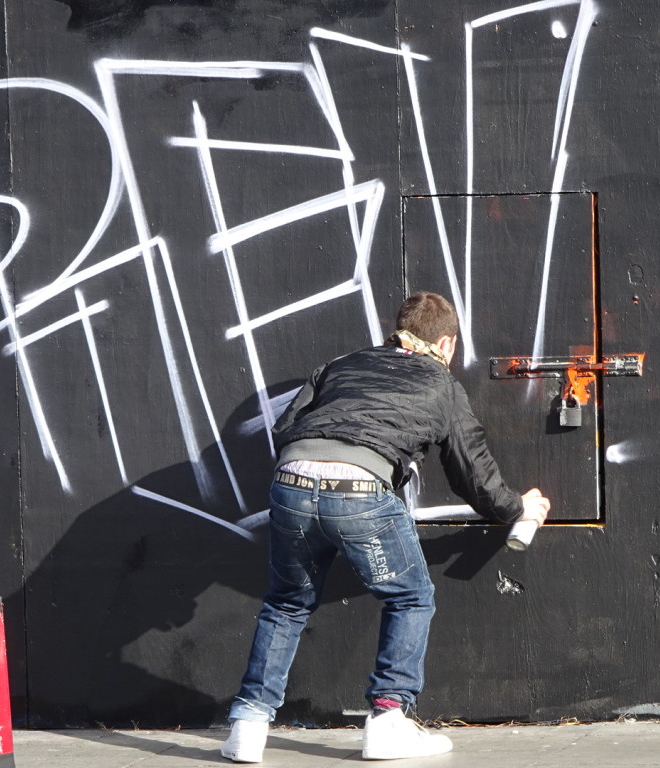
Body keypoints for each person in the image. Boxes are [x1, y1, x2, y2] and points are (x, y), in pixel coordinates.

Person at [220, 291, 551, 762]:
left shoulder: (339, 364)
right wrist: (515, 507)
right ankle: (388, 719)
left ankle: (247, 728)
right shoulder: (440, 381)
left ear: (395, 328)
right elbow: (471, 471)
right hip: (359, 490)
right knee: (410, 596)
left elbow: (287, 427)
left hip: (291, 481)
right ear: (448, 344)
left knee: (287, 602)